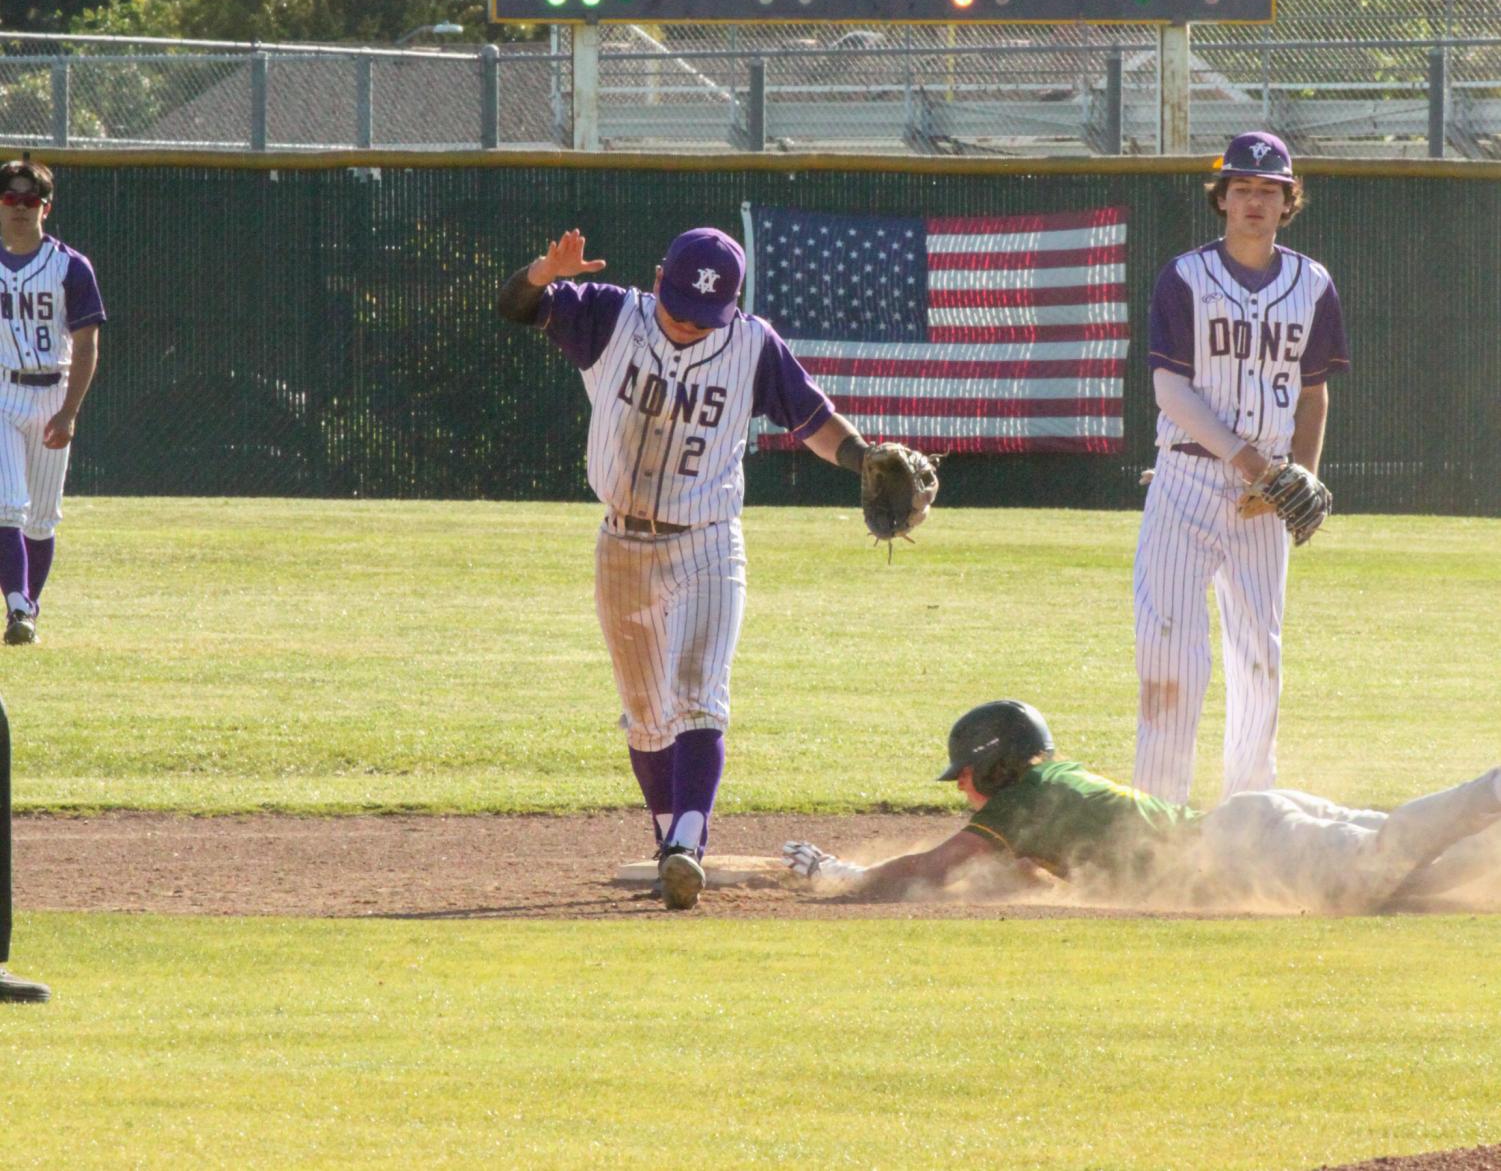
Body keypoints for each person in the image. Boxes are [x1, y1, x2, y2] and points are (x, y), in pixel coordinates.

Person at [498, 225, 878, 911]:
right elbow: (514, 308)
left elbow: (811, 417)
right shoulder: (611, 316)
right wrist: (541, 273)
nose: (686, 325)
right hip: (620, 545)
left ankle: (686, 849)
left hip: (706, 541)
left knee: (700, 693)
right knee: (646, 718)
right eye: (677, 309)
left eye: (704, 317)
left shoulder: (751, 345)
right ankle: (669, 840)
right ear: (656, 280)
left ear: (730, 308)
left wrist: (863, 458)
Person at [782, 700, 1501, 916]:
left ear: (998, 765)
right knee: (1420, 882)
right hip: (1252, 827)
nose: (965, 792)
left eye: (968, 776)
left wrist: (842, 878)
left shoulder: (1027, 800)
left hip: (1246, 849)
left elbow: (936, 866)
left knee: (1382, 866)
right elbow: (1021, 874)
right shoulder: (1055, 784)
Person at [1133, 132, 1349, 805]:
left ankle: (1249, 815)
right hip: (1186, 480)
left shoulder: (1311, 284)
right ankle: (1157, 818)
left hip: (1265, 498)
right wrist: (1261, 466)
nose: (1254, 200)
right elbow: (1170, 392)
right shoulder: (1185, 277)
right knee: (1171, 653)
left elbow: (1313, 393)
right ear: (1220, 197)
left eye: (1269, 189)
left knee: (1260, 658)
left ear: (1288, 202)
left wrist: (1300, 478)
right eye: (1243, 188)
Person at [0, 157, 106, 647]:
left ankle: (29, 611)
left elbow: (86, 345)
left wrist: (70, 411)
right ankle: (17, 604)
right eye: (10, 198)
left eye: (30, 199)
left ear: (46, 206)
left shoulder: (69, 266)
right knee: (7, 505)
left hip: (54, 390)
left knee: (41, 518)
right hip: (2, 389)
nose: (20, 207)